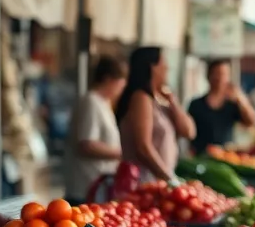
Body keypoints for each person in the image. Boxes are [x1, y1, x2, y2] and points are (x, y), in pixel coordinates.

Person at [117, 47, 195, 182]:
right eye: (163, 62)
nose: (167, 67)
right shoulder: (140, 98)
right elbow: (143, 147)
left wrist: (173, 102)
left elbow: (189, 132)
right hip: (144, 183)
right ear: (153, 67)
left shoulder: (159, 100)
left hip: (159, 180)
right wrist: (169, 178)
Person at [65, 57, 127, 204]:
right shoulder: (90, 102)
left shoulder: (104, 103)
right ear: (107, 79)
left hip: (100, 187)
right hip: (86, 188)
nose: (120, 90)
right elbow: (86, 144)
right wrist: (122, 153)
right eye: (119, 84)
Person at [186, 61, 255, 155]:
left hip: (226, 157)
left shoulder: (232, 104)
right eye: (217, 73)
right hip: (201, 157)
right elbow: (188, 134)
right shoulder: (196, 104)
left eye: (224, 74)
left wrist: (241, 99)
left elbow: (251, 122)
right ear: (209, 76)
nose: (221, 78)